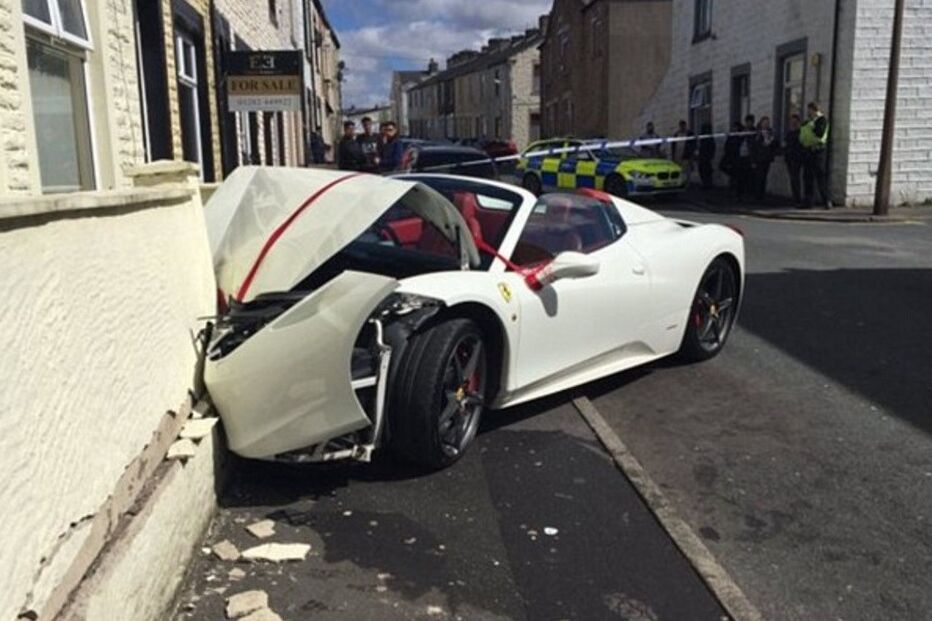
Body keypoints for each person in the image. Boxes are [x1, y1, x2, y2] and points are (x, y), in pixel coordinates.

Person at [800, 101, 831, 208]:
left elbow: (820, 133)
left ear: (814, 110)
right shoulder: (808, 121)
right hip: (808, 150)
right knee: (808, 177)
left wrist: (811, 127)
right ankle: (808, 202)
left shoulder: (821, 120)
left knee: (820, 176)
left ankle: (826, 200)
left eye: (809, 110)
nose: (808, 112)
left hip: (818, 150)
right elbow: (802, 133)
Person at [751, 116, 776, 199]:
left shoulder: (770, 132)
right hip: (758, 158)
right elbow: (754, 147)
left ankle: (762, 194)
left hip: (766, 158)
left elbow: (773, 144)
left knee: (764, 176)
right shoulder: (757, 133)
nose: (766, 124)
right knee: (759, 176)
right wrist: (753, 160)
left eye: (767, 123)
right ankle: (757, 194)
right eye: (764, 123)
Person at [783, 114, 805, 205]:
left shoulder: (800, 133)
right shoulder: (789, 133)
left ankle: (798, 199)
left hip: (797, 158)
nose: (793, 123)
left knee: (795, 178)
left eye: (795, 122)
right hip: (789, 158)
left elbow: (801, 145)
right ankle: (795, 198)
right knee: (793, 178)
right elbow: (785, 144)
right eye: (792, 122)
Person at [721, 121, 746, 195]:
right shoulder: (731, 136)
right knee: (727, 169)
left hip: (737, 158)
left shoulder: (740, 136)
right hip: (730, 157)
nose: (734, 129)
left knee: (737, 175)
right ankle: (734, 189)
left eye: (735, 127)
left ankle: (736, 191)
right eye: (733, 127)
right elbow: (727, 146)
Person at [697, 122, 716, 188]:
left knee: (707, 170)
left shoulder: (709, 137)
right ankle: (705, 183)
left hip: (706, 156)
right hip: (703, 155)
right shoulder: (702, 136)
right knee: (702, 170)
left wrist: (711, 155)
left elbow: (712, 147)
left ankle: (708, 183)